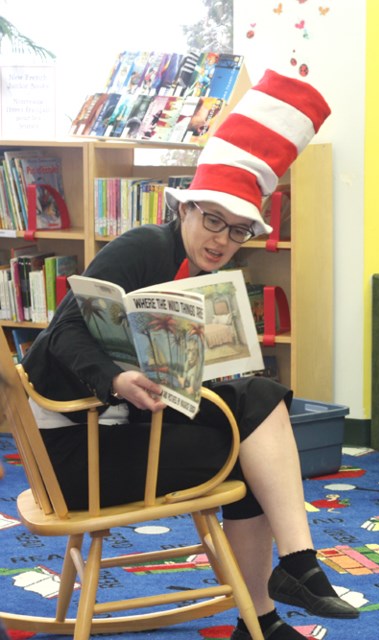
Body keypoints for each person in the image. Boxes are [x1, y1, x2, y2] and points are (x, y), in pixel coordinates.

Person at [21, 70, 359, 640]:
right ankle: (289, 581)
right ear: (185, 208)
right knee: (253, 430)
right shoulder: (144, 246)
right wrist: (117, 379)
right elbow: (65, 333)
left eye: (237, 231)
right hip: (75, 455)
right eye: (212, 221)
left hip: (119, 432)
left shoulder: (206, 274)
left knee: (252, 411)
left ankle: (274, 605)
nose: (221, 240)